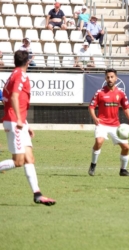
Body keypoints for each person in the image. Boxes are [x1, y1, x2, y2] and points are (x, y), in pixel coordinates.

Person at [0, 51, 56, 205]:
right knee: (18, 162)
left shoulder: (14, 74)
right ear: (28, 61)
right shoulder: (20, 75)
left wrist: (26, 124)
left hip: (19, 122)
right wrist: (19, 119)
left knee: (29, 158)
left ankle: (37, 194)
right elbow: (14, 97)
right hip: (14, 121)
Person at [88, 69, 129, 177]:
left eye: (112, 77)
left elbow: (126, 108)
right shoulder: (99, 92)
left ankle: (123, 170)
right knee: (99, 142)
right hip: (102, 123)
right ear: (105, 78)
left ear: (116, 78)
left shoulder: (121, 93)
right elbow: (91, 107)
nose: (110, 79)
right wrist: (95, 117)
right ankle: (93, 165)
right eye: (108, 77)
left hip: (115, 125)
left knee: (126, 148)